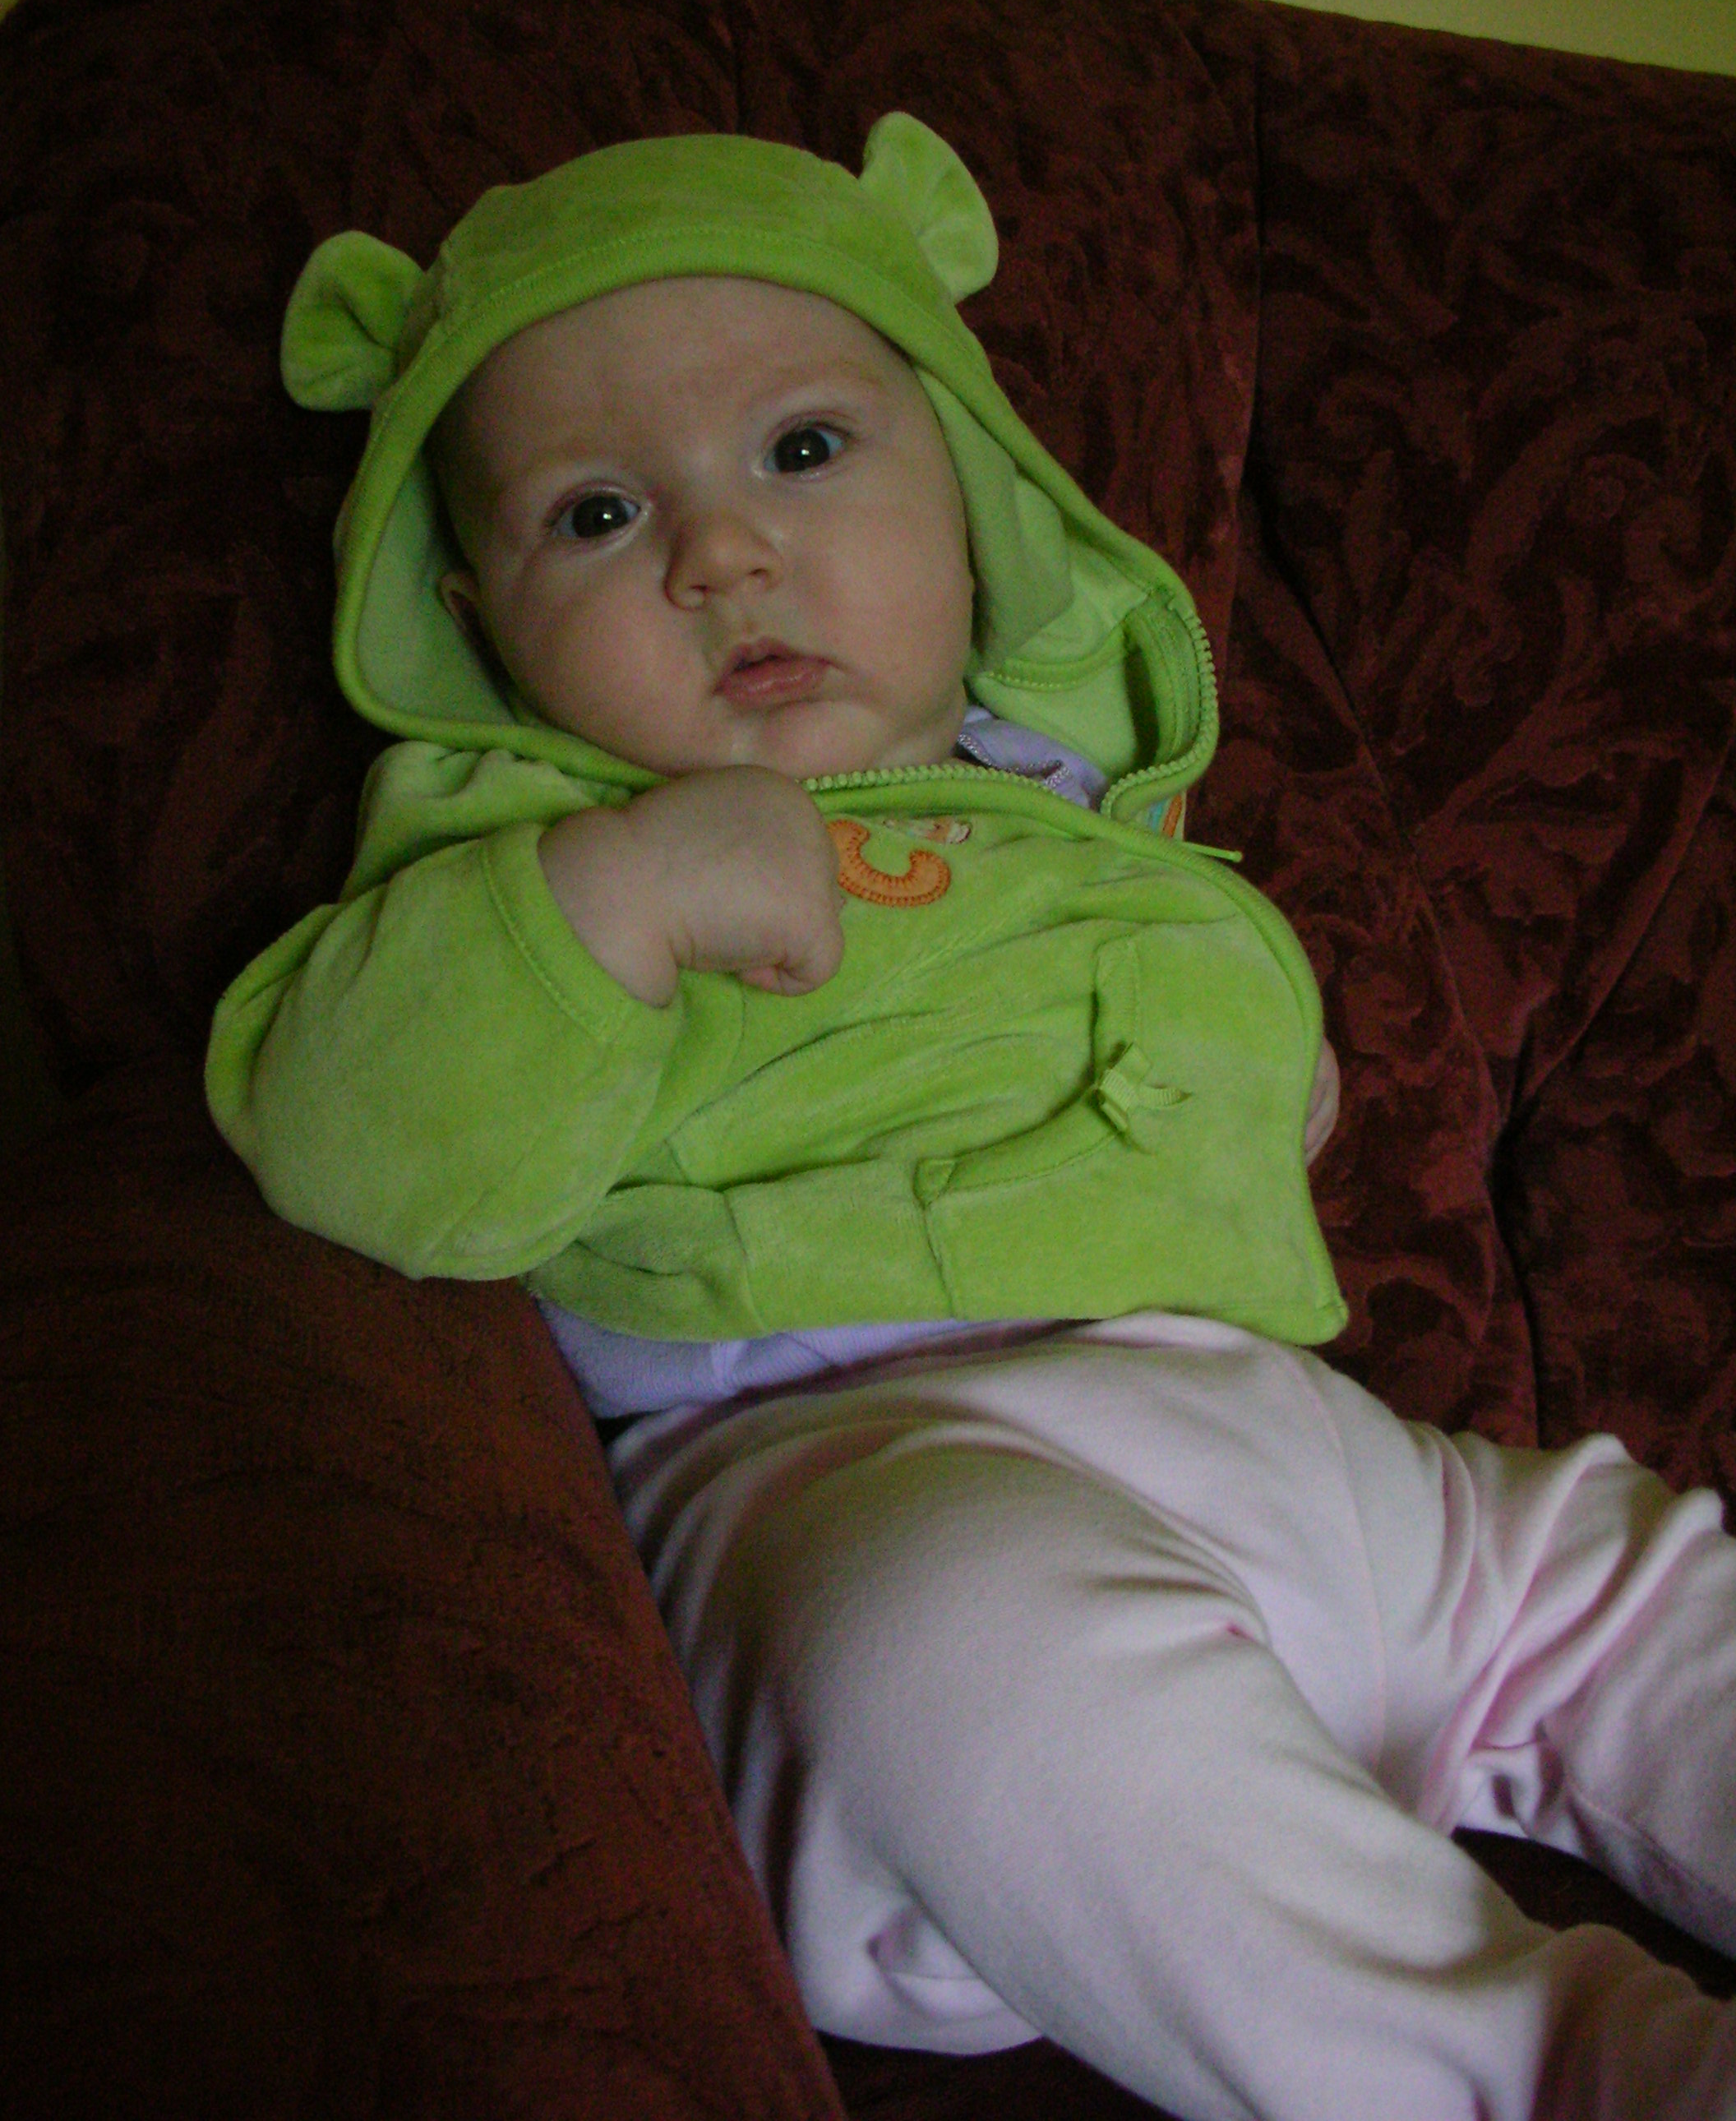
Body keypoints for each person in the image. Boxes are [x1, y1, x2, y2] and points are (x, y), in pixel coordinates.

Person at [207, 115, 1736, 2120]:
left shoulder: (1072, 805)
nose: (719, 553)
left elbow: (1219, 1020)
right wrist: (617, 900)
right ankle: (1565, 2069)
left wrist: (1250, 1065)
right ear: (476, 613)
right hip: (847, 1469)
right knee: (958, 1657)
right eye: (595, 512)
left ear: (974, 506)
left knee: (1629, 1570)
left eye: (803, 447)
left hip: (1301, 1456)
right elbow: (343, 1140)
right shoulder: (517, 852)